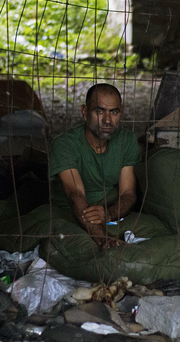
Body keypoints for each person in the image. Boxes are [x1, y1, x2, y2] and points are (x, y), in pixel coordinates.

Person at [48, 84, 141, 248]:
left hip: (108, 209)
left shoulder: (127, 141)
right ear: (85, 112)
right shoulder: (64, 145)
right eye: (99, 111)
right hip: (72, 211)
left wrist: (108, 214)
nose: (107, 120)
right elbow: (75, 194)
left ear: (121, 113)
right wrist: (103, 238)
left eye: (114, 112)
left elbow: (128, 193)